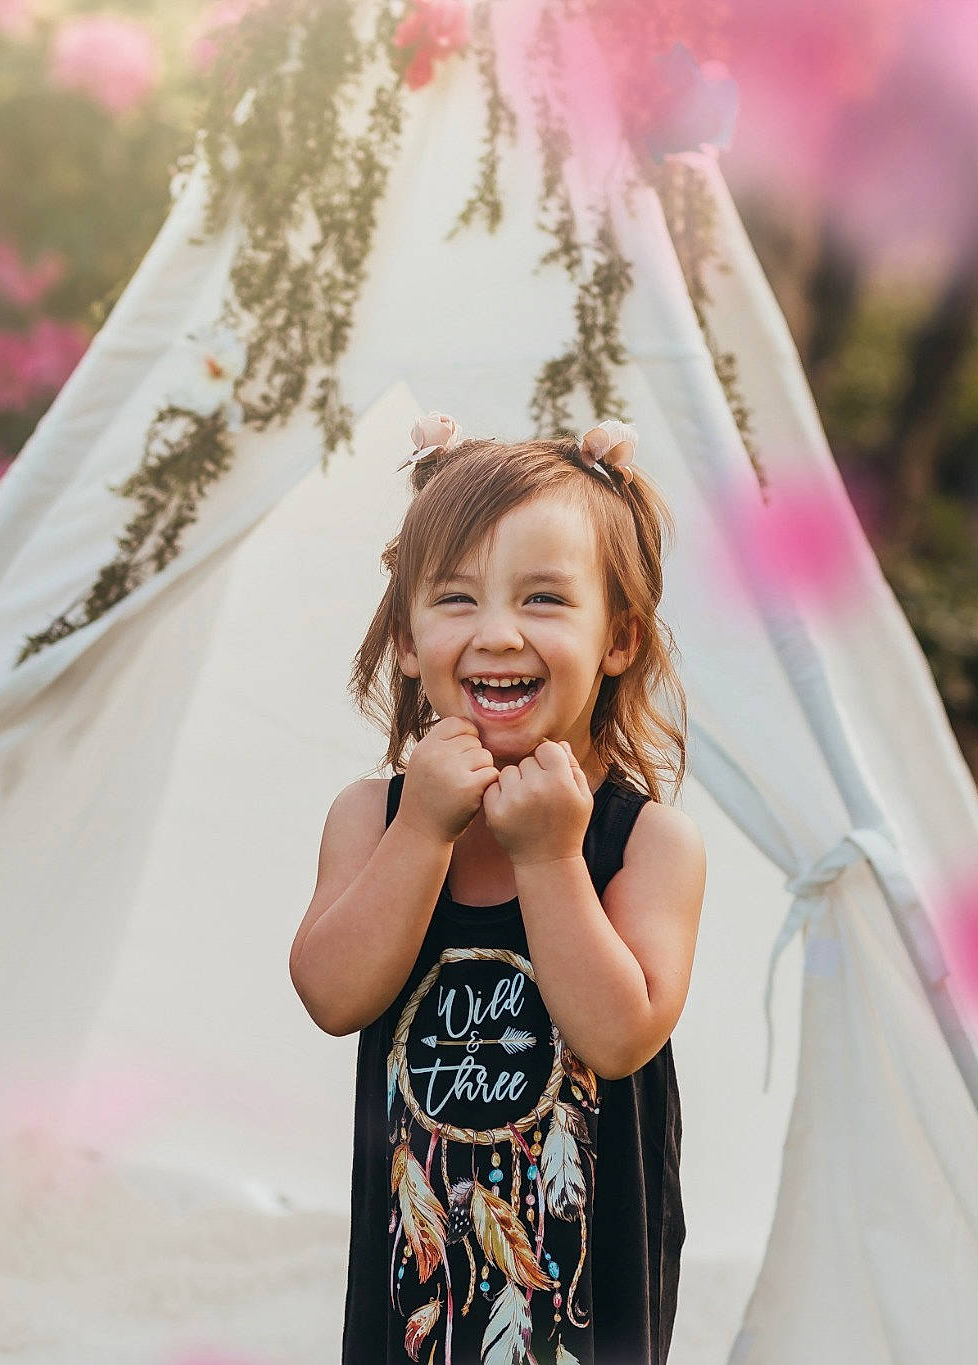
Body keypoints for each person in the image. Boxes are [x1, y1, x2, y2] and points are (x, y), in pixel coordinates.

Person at [290, 413, 707, 1364]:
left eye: (545, 598)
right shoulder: (371, 816)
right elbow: (331, 994)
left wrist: (553, 859)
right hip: (416, 1288)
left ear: (619, 637)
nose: (497, 633)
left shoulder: (647, 842)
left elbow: (616, 1032)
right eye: (457, 598)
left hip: (584, 1299)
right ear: (405, 636)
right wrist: (425, 829)